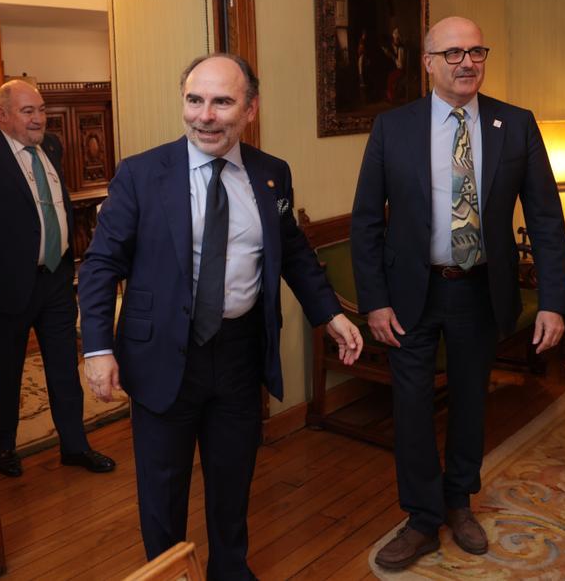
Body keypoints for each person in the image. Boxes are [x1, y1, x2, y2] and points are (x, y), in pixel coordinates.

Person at [78, 53, 363, 579]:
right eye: (194, 100)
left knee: (232, 479)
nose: (205, 115)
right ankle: (168, 574)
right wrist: (97, 350)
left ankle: (230, 571)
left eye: (222, 102)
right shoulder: (141, 174)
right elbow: (100, 265)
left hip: (238, 354)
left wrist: (330, 315)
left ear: (250, 109)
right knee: (163, 489)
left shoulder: (271, 175)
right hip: (161, 354)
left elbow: (294, 251)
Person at [350, 16, 565, 571]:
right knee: (413, 406)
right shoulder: (392, 128)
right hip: (408, 295)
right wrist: (373, 301)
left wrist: (553, 301)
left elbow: (545, 217)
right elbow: (365, 222)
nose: (466, 62)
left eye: (475, 51)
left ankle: (458, 500)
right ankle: (422, 518)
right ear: (426, 63)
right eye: (452, 53)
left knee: (472, 400)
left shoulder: (514, 125)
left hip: (478, 290)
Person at [0, 80, 116, 478]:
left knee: (64, 368)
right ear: (2, 115)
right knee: (4, 372)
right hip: (5, 288)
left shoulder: (51, 147)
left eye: (41, 109)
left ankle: (75, 445)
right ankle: (3, 448)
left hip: (55, 280)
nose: (38, 119)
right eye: (27, 111)